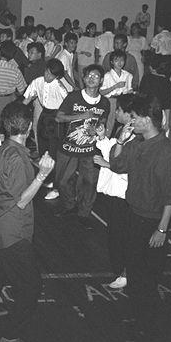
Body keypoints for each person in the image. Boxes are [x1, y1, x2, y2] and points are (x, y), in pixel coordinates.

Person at [0, 101, 55, 342]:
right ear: (28, 127)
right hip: (13, 229)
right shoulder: (17, 157)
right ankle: (10, 335)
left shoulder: (4, 148)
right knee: (31, 286)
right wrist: (42, 174)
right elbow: (22, 200)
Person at [109, 95, 171, 342]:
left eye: (135, 118)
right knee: (135, 272)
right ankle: (139, 317)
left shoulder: (166, 152)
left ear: (148, 120)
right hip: (134, 215)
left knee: (147, 279)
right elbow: (118, 165)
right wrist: (120, 142)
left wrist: (161, 230)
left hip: (152, 222)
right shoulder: (138, 143)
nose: (131, 122)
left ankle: (149, 326)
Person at [54, 65, 110, 228]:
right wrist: (81, 116)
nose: (92, 78)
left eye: (96, 76)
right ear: (84, 79)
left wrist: (100, 129)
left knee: (89, 183)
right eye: (89, 75)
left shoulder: (105, 102)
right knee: (63, 181)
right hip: (68, 147)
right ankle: (70, 205)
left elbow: (103, 122)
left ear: (101, 81)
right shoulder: (74, 97)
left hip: (90, 150)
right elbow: (58, 117)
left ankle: (84, 213)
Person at [93, 94, 136, 290]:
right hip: (115, 194)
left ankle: (126, 272)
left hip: (125, 194)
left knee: (124, 235)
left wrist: (106, 164)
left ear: (130, 114)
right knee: (115, 235)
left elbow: (126, 166)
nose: (116, 112)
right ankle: (121, 270)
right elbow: (113, 149)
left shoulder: (136, 137)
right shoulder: (122, 131)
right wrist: (102, 138)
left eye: (119, 110)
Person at [22, 59, 69, 200]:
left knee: (55, 152)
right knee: (43, 148)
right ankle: (47, 178)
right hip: (44, 115)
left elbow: (68, 107)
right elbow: (27, 98)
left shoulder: (61, 88)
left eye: (51, 75)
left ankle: (56, 186)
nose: (47, 76)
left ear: (57, 77)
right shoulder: (37, 81)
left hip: (57, 118)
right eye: (46, 72)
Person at [101, 49, 134, 135]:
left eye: (122, 60)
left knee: (125, 122)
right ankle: (106, 140)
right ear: (112, 62)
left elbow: (129, 90)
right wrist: (115, 86)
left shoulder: (128, 75)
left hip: (123, 101)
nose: (120, 63)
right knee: (109, 123)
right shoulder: (107, 76)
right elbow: (101, 92)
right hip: (111, 101)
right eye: (116, 60)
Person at [139, 53, 171, 132]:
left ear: (151, 67)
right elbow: (168, 104)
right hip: (159, 114)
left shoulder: (146, 78)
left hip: (144, 112)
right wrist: (167, 122)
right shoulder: (167, 82)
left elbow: (141, 96)